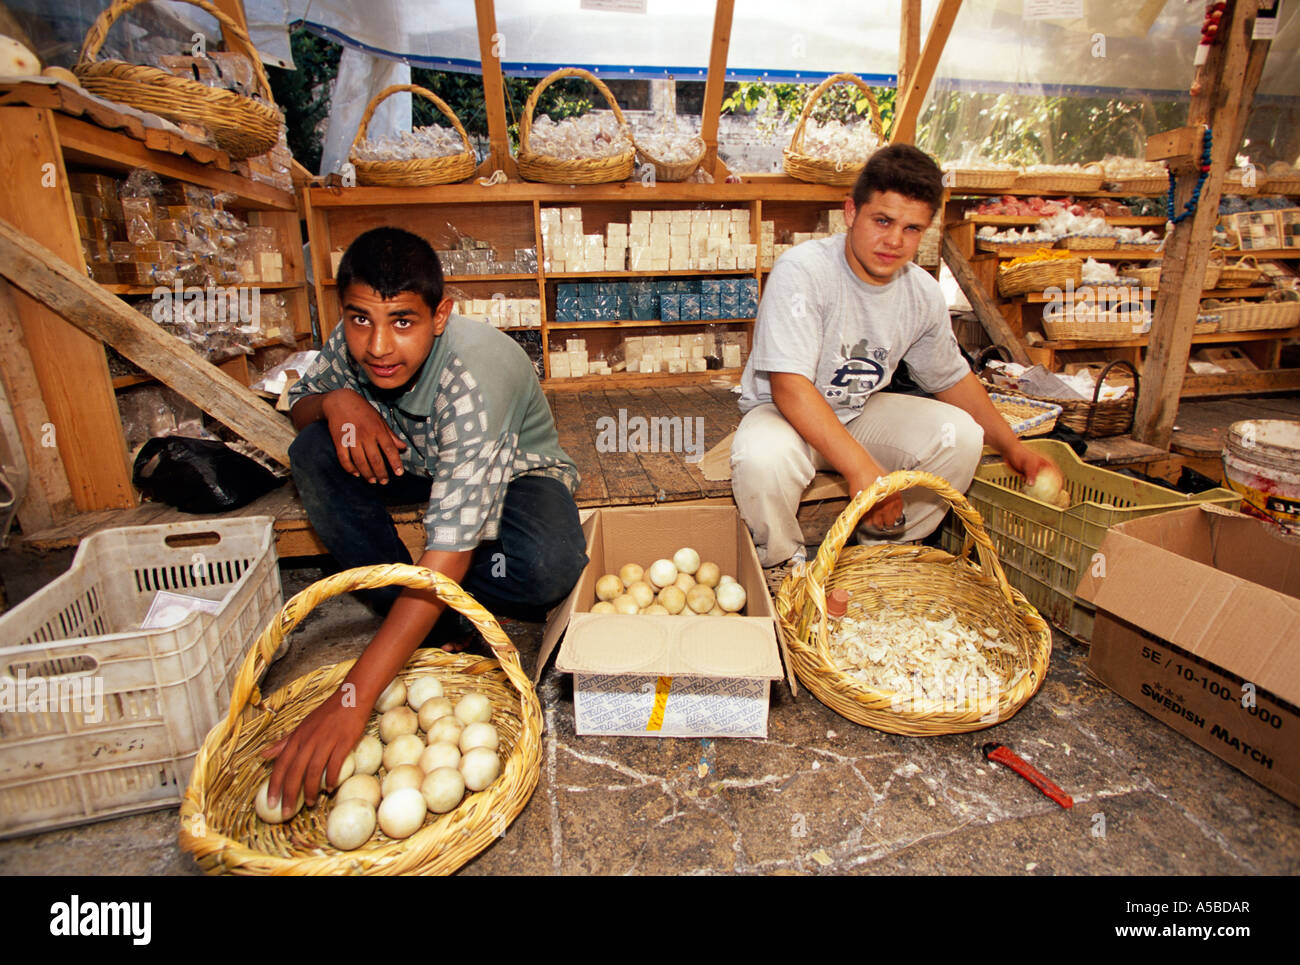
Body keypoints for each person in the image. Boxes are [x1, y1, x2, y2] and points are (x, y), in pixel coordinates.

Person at [263, 226, 587, 817]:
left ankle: (419, 603)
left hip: (511, 473)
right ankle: (427, 619)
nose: (379, 346)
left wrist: (353, 697)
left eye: (403, 323)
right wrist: (337, 402)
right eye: (360, 319)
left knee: (547, 568)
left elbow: (452, 553)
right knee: (311, 451)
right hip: (410, 459)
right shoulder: (356, 339)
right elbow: (300, 403)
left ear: (441, 315)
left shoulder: (474, 377)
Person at [730, 144, 1057, 567]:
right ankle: (785, 566)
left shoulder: (920, 291)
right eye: (882, 221)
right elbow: (789, 388)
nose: (894, 241)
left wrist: (1014, 448)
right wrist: (866, 473)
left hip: (859, 412)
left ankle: (884, 553)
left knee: (960, 436)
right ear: (851, 212)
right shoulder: (804, 271)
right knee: (762, 459)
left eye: (912, 229)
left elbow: (952, 379)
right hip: (785, 415)